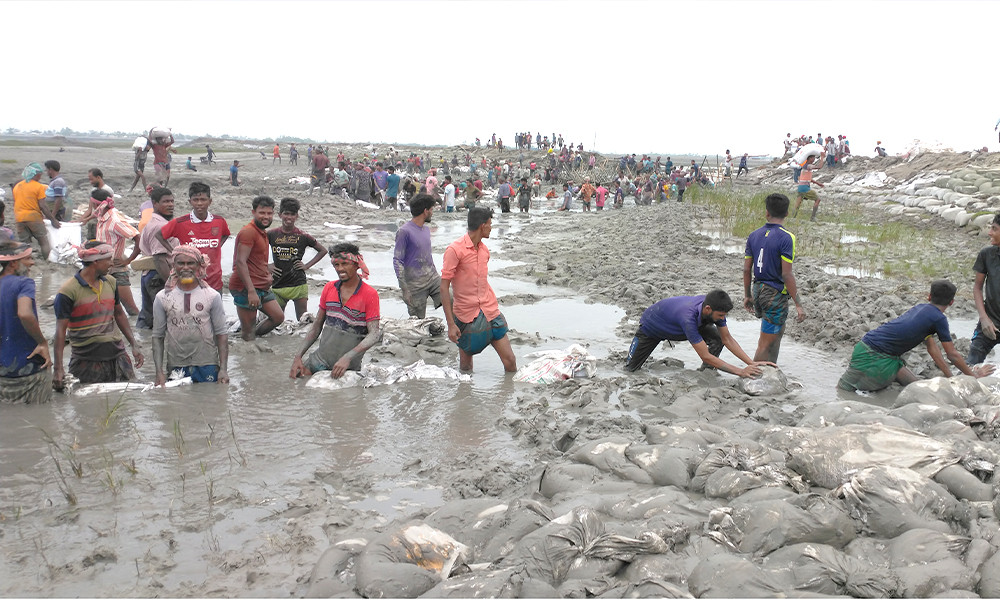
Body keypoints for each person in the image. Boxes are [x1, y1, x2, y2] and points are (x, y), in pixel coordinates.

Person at [838, 280, 995, 392]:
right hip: (875, 355)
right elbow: (952, 355)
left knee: (917, 386)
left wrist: (951, 379)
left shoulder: (921, 308)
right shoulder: (939, 318)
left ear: (928, 297)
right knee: (847, 388)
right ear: (952, 302)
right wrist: (973, 375)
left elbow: (933, 349)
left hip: (867, 348)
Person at [53, 241, 144, 389]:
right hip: (86, 360)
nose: (111, 263)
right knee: (86, 406)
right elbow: (60, 331)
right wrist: (58, 368)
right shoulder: (67, 291)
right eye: (108, 259)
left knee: (126, 400)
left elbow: (119, 314)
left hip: (117, 355)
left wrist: (134, 344)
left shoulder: (111, 282)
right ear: (95, 261)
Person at [440, 207, 516, 373]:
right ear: (482, 226)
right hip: (466, 315)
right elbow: (444, 287)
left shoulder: (484, 250)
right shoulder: (454, 250)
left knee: (510, 361)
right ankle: (465, 397)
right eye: (490, 224)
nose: (491, 228)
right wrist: (451, 324)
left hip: (490, 310)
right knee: (466, 367)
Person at [624, 290, 770, 377]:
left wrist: (752, 363)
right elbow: (705, 355)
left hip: (686, 326)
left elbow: (728, 339)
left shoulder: (713, 309)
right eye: (720, 316)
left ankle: (705, 373)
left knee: (718, 339)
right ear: (707, 309)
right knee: (630, 370)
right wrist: (740, 372)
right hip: (652, 327)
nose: (722, 319)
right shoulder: (688, 318)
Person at [290, 243, 381, 379]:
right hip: (319, 360)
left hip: (347, 367)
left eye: (345, 264)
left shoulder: (370, 294)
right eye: (336, 265)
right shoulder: (329, 288)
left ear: (357, 265)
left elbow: (374, 334)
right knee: (295, 382)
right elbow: (316, 326)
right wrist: (298, 356)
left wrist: (348, 357)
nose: (340, 269)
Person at [152, 245, 230, 386]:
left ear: (199, 265)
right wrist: (159, 372)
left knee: (209, 403)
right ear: (173, 265)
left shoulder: (212, 296)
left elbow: (222, 334)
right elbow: (158, 336)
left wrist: (223, 369)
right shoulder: (162, 297)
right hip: (176, 364)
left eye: (190, 263)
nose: (186, 268)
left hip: (207, 364)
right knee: (178, 405)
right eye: (181, 263)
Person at [743, 193, 806, 363]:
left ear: (766, 213)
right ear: (786, 214)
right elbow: (786, 273)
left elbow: (746, 270)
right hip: (774, 293)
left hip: (758, 289)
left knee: (776, 332)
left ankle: (770, 368)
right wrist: (798, 304)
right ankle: (753, 375)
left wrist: (748, 295)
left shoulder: (753, 235)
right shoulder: (787, 237)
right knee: (765, 343)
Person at [0, 241, 52, 404]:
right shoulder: (24, 283)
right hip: (29, 367)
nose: (32, 262)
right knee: (41, 420)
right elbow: (24, 314)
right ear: (13, 263)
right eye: (28, 259)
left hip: (3, 371)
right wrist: (42, 343)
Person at [156, 181, 231, 292]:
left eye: (203, 200)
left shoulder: (219, 221)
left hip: (215, 280)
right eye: (196, 200)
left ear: (210, 201)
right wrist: (175, 252)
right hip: (190, 280)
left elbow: (225, 234)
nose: (199, 203)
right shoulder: (180, 222)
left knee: (215, 308)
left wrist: (216, 247)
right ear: (190, 202)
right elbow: (159, 235)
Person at [229, 196, 284, 341]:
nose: (266, 217)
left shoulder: (262, 232)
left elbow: (254, 259)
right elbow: (240, 262)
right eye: (262, 213)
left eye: (269, 213)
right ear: (253, 212)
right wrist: (251, 291)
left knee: (278, 317)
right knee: (248, 331)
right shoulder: (249, 232)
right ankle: (248, 347)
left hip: (262, 286)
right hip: (245, 288)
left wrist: (266, 269)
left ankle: (254, 339)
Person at [268, 197, 327, 320]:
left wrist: (306, 266)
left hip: (298, 284)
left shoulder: (302, 236)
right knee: (276, 321)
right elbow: (255, 251)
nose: (289, 218)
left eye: (292, 214)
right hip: (278, 284)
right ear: (280, 215)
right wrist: (266, 265)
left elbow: (323, 251)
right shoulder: (271, 234)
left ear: (297, 216)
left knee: (302, 321)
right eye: (286, 214)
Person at [93, 188, 142, 315]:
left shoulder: (115, 221)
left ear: (97, 204)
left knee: (131, 309)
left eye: (93, 204)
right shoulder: (102, 217)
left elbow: (138, 238)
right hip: (102, 266)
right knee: (106, 307)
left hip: (116, 267)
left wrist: (128, 260)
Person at [393, 194, 441, 319]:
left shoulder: (425, 229)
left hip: (433, 279)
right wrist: (404, 289)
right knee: (418, 323)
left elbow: (427, 256)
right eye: (431, 209)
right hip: (415, 286)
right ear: (425, 211)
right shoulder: (404, 231)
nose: (432, 213)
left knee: (452, 299)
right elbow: (397, 260)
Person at [136, 187, 175, 329]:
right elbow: (159, 259)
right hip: (158, 275)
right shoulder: (159, 225)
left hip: (149, 274)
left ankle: (143, 339)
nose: (170, 204)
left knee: (148, 316)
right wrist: (171, 284)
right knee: (163, 317)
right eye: (165, 202)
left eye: (172, 201)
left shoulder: (154, 222)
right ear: (155, 203)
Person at [967, 214, 1000, 365]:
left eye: (994, 229)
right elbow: (977, 287)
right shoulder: (987, 254)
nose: (989, 232)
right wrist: (983, 318)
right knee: (972, 362)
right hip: (990, 321)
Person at [13, 162, 60, 260]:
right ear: (36, 174)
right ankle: (47, 260)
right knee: (43, 241)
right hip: (33, 217)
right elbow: (42, 206)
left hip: (19, 218)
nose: (41, 176)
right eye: (40, 174)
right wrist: (53, 219)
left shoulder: (17, 186)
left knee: (25, 243)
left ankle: (25, 260)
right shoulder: (38, 187)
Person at [78, 168, 114, 241]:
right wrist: (81, 219)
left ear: (98, 177)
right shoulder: (93, 191)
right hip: (95, 219)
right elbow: (90, 209)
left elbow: (105, 210)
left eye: (92, 179)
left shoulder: (107, 190)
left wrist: (87, 219)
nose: (90, 182)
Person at [792, 154, 825, 221]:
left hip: (800, 187)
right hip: (805, 188)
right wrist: (822, 157)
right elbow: (819, 167)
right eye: (813, 158)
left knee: (798, 204)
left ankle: (793, 217)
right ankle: (813, 217)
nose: (814, 160)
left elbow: (808, 178)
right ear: (809, 158)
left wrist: (818, 183)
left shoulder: (804, 167)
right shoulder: (808, 166)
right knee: (818, 199)